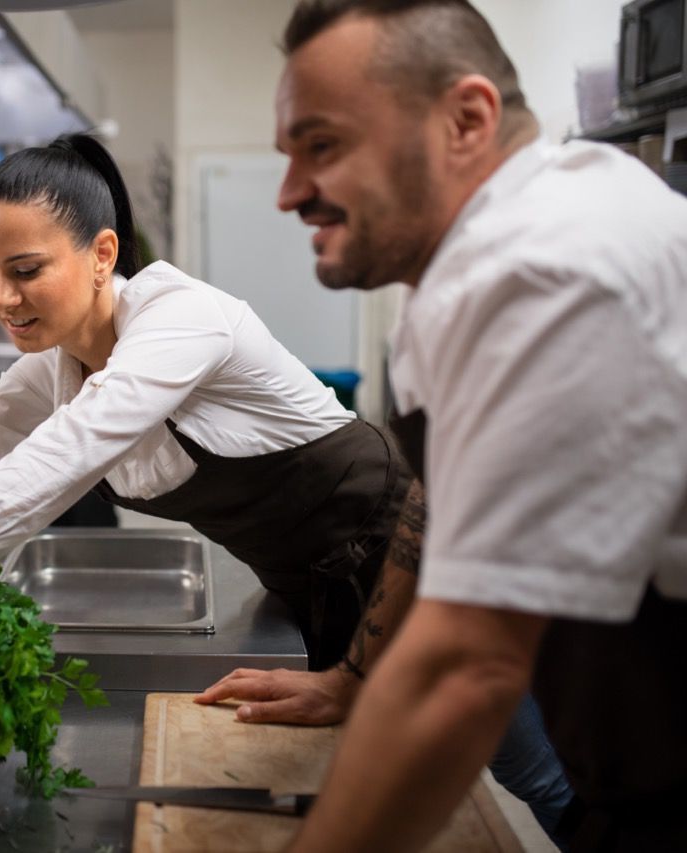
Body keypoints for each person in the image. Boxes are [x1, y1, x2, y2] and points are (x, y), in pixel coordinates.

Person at [0, 133, 419, 736]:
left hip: (398, 563)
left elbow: (50, 466)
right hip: (304, 586)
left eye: (26, 270)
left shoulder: (184, 319)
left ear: (103, 254)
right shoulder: (55, 364)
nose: (3, 298)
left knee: (515, 759)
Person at [271, 1, 687, 851]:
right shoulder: (482, 266)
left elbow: (464, 668)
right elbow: (437, 502)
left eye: (323, 146)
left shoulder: (548, 269)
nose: (290, 193)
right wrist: (355, 676)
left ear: (466, 120)